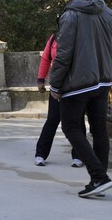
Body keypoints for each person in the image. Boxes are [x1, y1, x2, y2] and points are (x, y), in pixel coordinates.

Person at [49, 0, 112, 198]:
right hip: (103, 80)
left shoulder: (71, 14)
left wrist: (55, 84)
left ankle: (99, 176)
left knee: (71, 127)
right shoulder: (110, 14)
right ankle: (98, 179)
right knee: (99, 129)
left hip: (78, 83)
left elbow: (64, 53)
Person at [34, 31, 85, 167]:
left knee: (77, 120)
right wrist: (41, 80)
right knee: (52, 119)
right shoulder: (54, 38)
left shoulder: (80, 36)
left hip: (75, 86)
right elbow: (46, 58)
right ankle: (40, 154)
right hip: (57, 86)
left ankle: (79, 155)